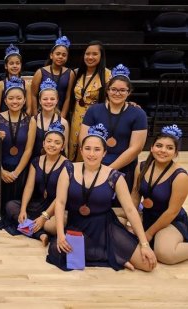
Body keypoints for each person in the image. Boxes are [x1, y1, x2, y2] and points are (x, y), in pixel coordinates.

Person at [47, 123, 157, 272]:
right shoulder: (69, 169)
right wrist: (60, 235)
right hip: (77, 224)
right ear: (81, 150)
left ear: (104, 153)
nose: (91, 154)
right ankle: (112, 256)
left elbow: (131, 210)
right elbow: (60, 203)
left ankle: (111, 253)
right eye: (87, 148)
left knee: (147, 265)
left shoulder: (114, 176)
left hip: (105, 226)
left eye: (97, 149)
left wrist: (144, 244)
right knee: (57, 251)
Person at [80, 64, 147, 191]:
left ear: (129, 92)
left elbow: (136, 148)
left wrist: (109, 170)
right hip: (94, 163)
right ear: (107, 90)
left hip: (124, 167)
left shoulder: (138, 114)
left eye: (122, 90)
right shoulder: (94, 110)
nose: (117, 93)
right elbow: (84, 140)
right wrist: (95, 164)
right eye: (114, 89)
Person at [4, 121, 69, 246]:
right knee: (11, 206)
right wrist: (23, 209)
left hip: (54, 208)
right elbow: (29, 187)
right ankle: (40, 234)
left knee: (55, 225)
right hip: (37, 204)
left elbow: (60, 198)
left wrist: (44, 217)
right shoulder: (36, 161)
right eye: (49, 141)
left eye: (57, 142)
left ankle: (32, 228)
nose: (52, 145)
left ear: (62, 146)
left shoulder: (67, 165)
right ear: (44, 143)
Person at [132, 125, 188, 264]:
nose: (163, 150)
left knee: (164, 254)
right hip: (147, 216)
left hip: (170, 221)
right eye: (159, 145)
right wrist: (133, 221)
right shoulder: (141, 167)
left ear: (175, 153)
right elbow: (134, 196)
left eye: (169, 148)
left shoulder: (180, 176)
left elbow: (172, 211)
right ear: (151, 148)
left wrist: (148, 234)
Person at [0, 76, 36, 214]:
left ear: (24, 100)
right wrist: (1, 171)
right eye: (10, 98)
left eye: (18, 98)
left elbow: (28, 150)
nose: (14, 101)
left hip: (21, 171)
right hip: (0, 170)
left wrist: (16, 173)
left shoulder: (31, 121)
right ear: (5, 100)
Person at [68, 41, 111, 162]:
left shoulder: (107, 75)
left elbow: (113, 97)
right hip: (76, 117)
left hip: (95, 118)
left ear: (101, 56)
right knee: (73, 148)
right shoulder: (77, 73)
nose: (90, 57)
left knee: (89, 148)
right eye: (87, 54)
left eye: (94, 54)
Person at [30, 36, 75, 117]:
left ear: (67, 57)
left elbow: (68, 97)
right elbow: (33, 95)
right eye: (58, 54)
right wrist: (35, 115)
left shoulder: (70, 73)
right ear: (51, 55)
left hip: (60, 113)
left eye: (64, 55)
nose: (60, 57)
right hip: (42, 113)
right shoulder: (40, 72)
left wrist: (62, 117)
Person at [32, 78, 69, 159]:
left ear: (57, 100)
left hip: (55, 163)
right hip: (35, 162)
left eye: (52, 99)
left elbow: (65, 148)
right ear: (40, 101)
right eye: (45, 99)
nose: (49, 102)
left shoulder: (63, 122)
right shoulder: (33, 120)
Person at [0, 44, 31, 116]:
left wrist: (23, 121)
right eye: (11, 63)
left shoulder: (27, 85)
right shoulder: (1, 84)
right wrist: (3, 121)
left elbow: (29, 109)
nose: (15, 66)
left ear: (21, 65)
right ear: (6, 66)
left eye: (17, 63)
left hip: (22, 121)